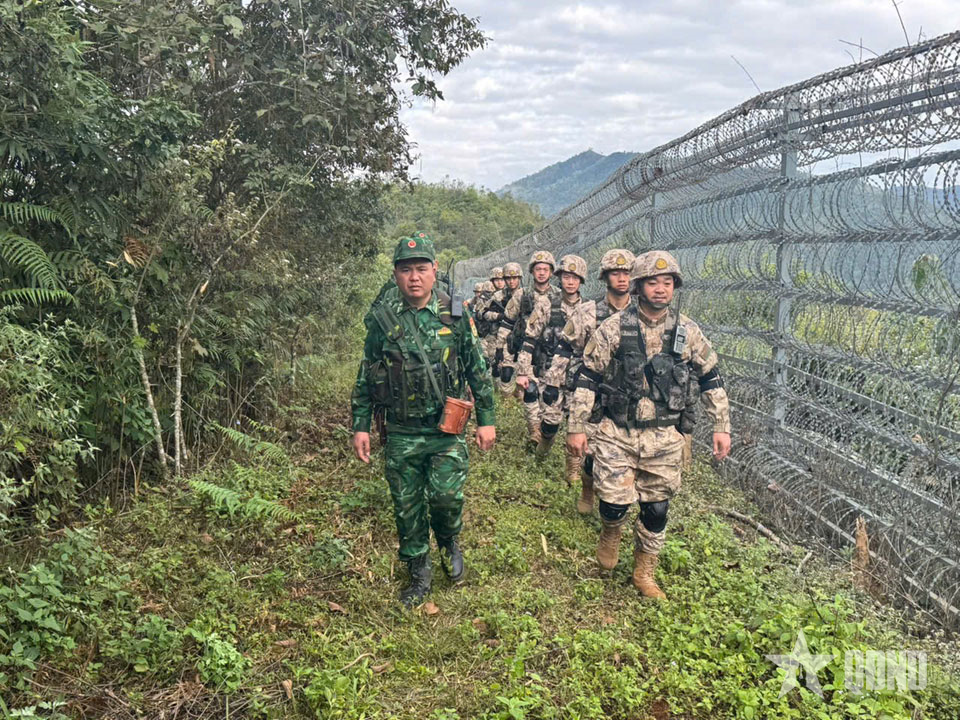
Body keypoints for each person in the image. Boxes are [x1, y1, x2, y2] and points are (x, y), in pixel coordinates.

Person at [566, 250, 731, 599]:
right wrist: (577, 427)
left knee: (657, 509)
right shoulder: (612, 329)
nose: (660, 289)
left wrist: (721, 425)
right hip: (617, 433)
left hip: (664, 436)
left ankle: (644, 572)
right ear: (639, 287)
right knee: (614, 504)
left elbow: (710, 377)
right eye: (653, 282)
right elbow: (587, 379)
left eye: (667, 282)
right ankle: (611, 530)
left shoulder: (687, 332)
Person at [351, 234, 496, 607]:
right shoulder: (383, 321)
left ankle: (448, 539)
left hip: (444, 430)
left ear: (434, 272)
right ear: (396, 275)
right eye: (405, 270)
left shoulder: (456, 315)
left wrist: (486, 419)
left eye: (421, 269)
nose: (414, 277)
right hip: (400, 431)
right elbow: (367, 374)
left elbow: (477, 370)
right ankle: (418, 568)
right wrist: (361, 425)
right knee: (407, 504)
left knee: (447, 497)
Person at [542, 249, 635, 510]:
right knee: (591, 454)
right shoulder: (587, 312)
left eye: (626, 273)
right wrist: (553, 382)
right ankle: (587, 487)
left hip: (627, 395)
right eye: (615, 273)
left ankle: (614, 505)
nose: (622, 278)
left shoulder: (642, 315)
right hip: (592, 391)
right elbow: (565, 348)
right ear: (605, 277)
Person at [515, 254, 587, 462]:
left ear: (581, 280)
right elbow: (530, 339)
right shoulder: (547, 305)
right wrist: (522, 371)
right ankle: (541, 453)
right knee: (550, 423)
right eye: (566, 277)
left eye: (575, 277)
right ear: (560, 278)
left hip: (578, 377)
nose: (570, 282)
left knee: (577, 424)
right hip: (550, 374)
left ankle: (573, 471)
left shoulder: (589, 310)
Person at [496, 251, 558, 447]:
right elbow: (507, 322)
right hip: (526, 350)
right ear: (532, 272)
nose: (541, 273)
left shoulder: (558, 296)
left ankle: (545, 428)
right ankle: (534, 431)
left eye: (545, 269)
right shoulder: (522, 295)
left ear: (551, 272)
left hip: (550, 352)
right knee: (530, 390)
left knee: (547, 395)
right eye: (538, 269)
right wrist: (500, 347)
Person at [480, 262, 522, 377]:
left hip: (520, 335)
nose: (511, 281)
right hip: (499, 336)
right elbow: (483, 313)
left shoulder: (525, 295)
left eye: (514, 278)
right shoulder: (498, 296)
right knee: (502, 372)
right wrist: (499, 316)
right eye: (508, 278)